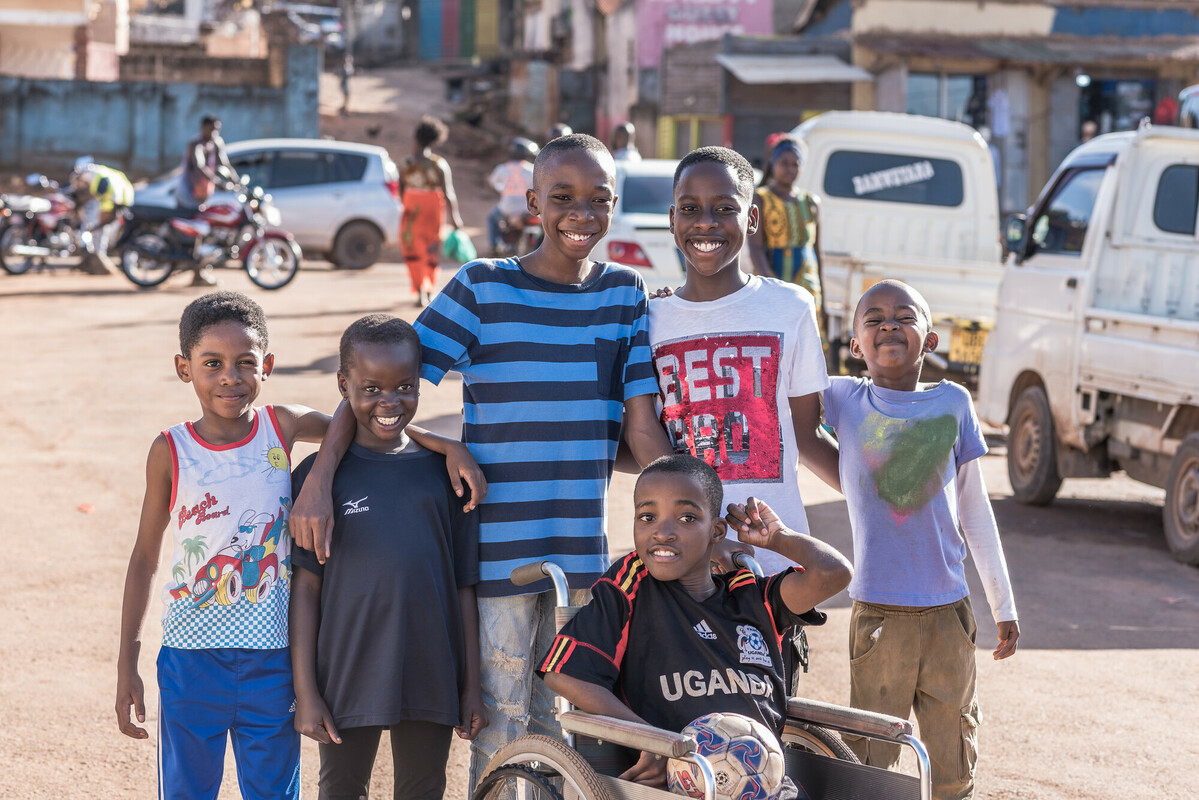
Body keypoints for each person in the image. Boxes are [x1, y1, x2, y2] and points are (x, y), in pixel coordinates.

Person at [290, 133, 675, 791]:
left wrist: (691, 506)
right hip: (495, 551)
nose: (580, 213)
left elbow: (639, 425)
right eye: (561, 197)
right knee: (499, 722)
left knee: (568, 731)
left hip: (580, 551)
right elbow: (384, 386)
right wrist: (320, 479)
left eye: (597, 200)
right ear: (530, 202)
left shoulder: (623, 295)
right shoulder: (481, 289)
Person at [114, 292, 486, 800]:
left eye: (246, 362)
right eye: (212, 364)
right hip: (190, 658)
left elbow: (363, 419)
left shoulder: (280, 425)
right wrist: (126, 663)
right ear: (184, 368)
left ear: (267, 365)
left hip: (272, 658)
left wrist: (444, 442)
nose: (230, 376)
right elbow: (144, 559)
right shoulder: (170, 450)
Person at [645, 145, 840, 687]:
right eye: (690, 208)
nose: (706, 222)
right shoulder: (649, 321)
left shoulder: (791, 307)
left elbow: (808, 437)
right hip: (682, 566)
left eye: (724, 208)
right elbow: (644, 441)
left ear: (751, 218)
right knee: (680, 736)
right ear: (672, 219)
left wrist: (885, 491)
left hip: (773, 570)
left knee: (766, 738)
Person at [539, 454, 852, 787]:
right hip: (676, 786)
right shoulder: (633, 586)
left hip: (765, 786)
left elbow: (834, 573)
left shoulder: (752, 597)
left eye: (687, 518)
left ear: (716, 531)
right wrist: (653, 740)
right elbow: (565, 674)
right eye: (647, 517)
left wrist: (778, 537)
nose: (663, 532)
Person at [819, 279, 1020, 800]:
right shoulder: (841, 398)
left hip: (948, 615)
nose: (889, 323)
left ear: (929, 340)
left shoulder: (953, 403)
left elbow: (975, 512)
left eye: (905, 316)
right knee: (869, 760)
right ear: (855, 345)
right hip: (879, 615)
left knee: (951, 759)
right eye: (874, 318)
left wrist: (1004, 604)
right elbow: (783, 397)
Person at [290, 314, 486, 800]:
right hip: (345, 672)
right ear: (344, 385)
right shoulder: (317, 480)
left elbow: (464, 586)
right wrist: (306, 691)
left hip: (431, 671)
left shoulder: (445, 475)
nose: (389, 401)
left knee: (423, 790)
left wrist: (471, 685)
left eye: (404, 386)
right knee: (340, 790)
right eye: (371, 387)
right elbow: (306, 590)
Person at [746, 137, 825, 337]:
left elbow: (817, 250)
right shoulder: (761, 198)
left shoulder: (810, 201)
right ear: (773, 163)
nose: (789, 169)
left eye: (795, 164)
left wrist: (823, 293)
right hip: (774, 272)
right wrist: (770, 282)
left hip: (807, 279)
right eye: (784, 163)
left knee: (807, 333)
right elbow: (755, 246)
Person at [399, 115, 464, 308]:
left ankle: (420, 290)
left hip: (412, 212)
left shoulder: (405, 165)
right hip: (433, 212)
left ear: (416, 139)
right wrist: (455, 218)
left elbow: (402, 194)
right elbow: (449, 194)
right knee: (430, 251)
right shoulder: (439, 164)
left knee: (413, 252)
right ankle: (428, 290)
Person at [176, 115, 239, 286]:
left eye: (217, 129)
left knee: (205, 229)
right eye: (211, 129)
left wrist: (237, 181)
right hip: (188, 194)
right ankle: (196, 270)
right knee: (198, 230)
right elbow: (200, 166)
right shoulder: (195, 144)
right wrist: (219, 182)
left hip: (202, 194)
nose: (214, 133)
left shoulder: (216, 143)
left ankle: (198, 269)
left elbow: (224, 164)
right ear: (203, 128)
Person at [69, 157, 134, 275]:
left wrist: (101, 221)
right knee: (103, 232)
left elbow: (107, 202)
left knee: (101, 232)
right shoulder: (102, 173)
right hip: (125, 201)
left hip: (117, 205)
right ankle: (99, 259)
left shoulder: (98, 178)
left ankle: (100, 260)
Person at [485, 137, 537, 256]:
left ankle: (493, 246)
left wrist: (502, 190)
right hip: (527, 209)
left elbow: (492, 183)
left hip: (506, 209)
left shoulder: (502, 168)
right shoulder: (532, 169)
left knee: (492, 218)